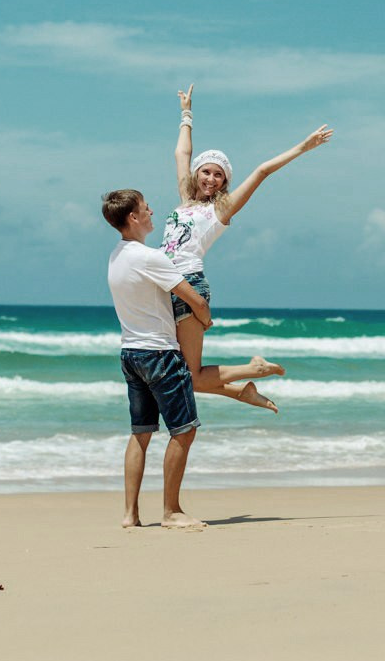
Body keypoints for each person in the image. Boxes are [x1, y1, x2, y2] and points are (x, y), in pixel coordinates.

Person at [166, 84, 333, 412]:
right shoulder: (185, 202)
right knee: (180, 375)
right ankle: (243, 391)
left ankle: (254, 369)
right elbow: (181, 154)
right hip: (166, 286)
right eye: (206, 171)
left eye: (219, 175)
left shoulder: (220, 211)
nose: (211, 178)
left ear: (224, 184)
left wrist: (304, 146)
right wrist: (187, 113)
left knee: (192, 377)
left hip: (188, 285)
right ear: (197, 174)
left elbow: (262, 171)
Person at [102, 188, 213, 529]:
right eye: (145, 207)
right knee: (183, 431)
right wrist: (206, 319)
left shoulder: (116, 256)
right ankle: (171, 512)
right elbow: (192, 298)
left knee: (141, 433)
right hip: (160, 354)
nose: (152, 210)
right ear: (133, 218)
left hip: (131, 354)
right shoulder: (150, 257)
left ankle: (130, 514)